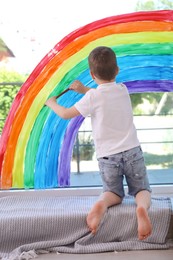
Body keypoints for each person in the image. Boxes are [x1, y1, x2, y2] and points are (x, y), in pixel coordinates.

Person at [45, 46, 152, 241]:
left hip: (108, 156)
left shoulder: (92, 97)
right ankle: (142, 208)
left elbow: (66, 114)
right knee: (142, 189)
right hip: (132, 151)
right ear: (117, 71)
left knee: (113, 193)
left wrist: (51, 103)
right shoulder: (122, 89)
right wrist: (84, 90)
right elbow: (104, 95)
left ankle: (102, 204)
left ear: (92, 74)